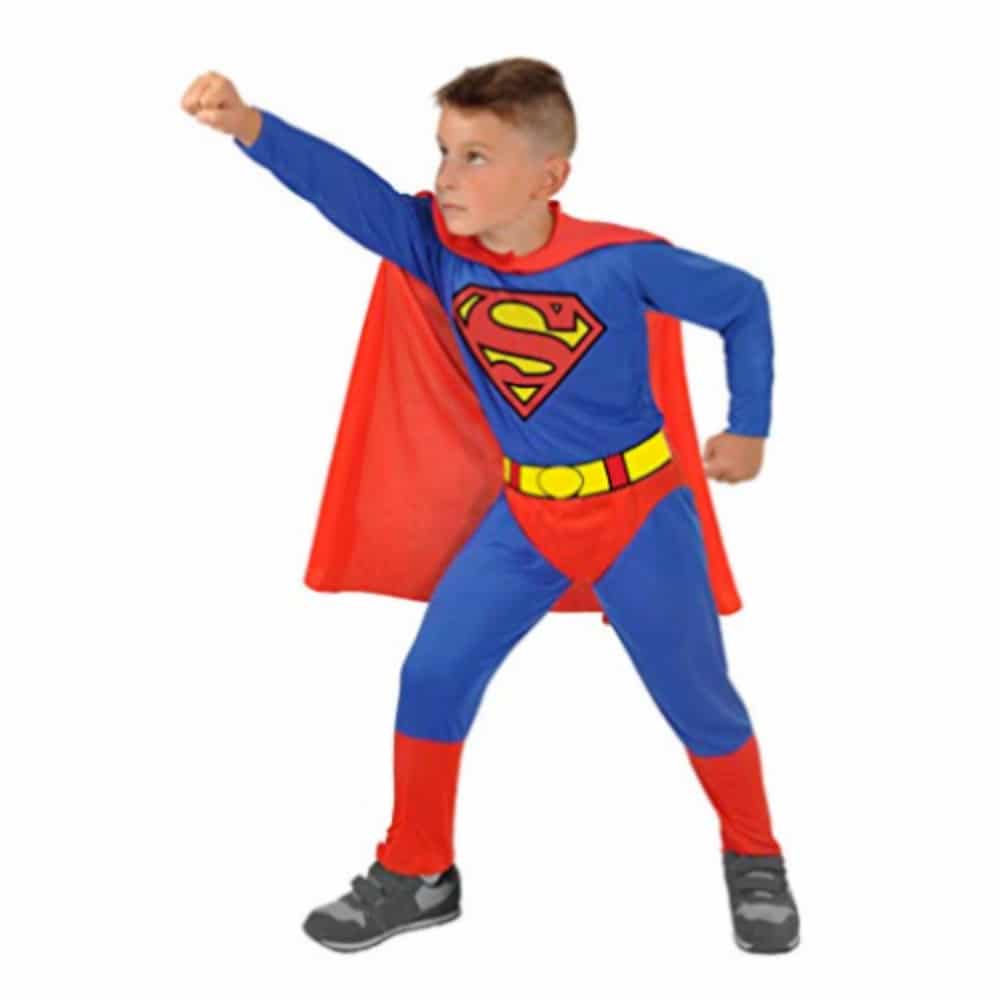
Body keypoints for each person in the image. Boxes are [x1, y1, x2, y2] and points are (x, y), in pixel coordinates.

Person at [180, 57, 800, 955]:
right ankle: (418, 870)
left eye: (476, 157)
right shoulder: (439, 248)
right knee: (434, 675)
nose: (445, 176)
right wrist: (250, 125)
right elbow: (344, 190)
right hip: (525, 521)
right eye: (442, 151)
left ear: (549, 177)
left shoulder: (617, 264)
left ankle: (756, 856)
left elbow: (743, 302)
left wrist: (750, 426)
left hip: (636, 516)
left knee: (697, 697)